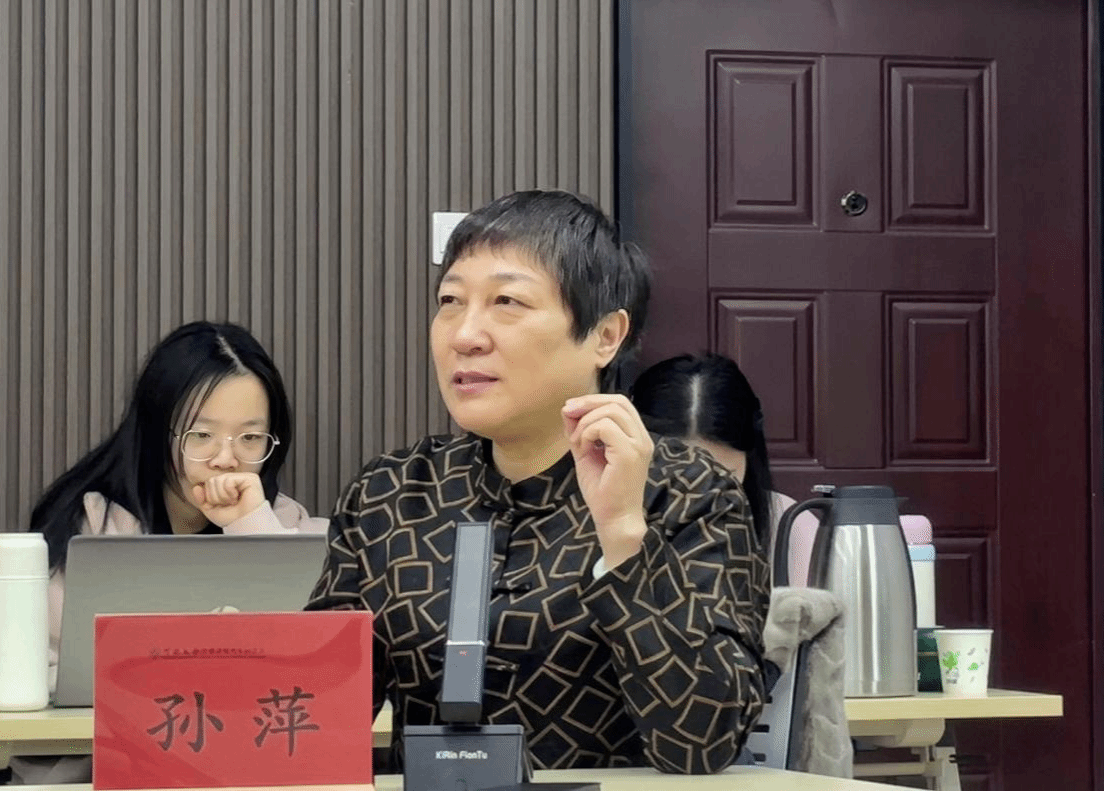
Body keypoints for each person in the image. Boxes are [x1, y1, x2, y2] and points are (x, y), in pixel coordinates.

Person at [306, 191, 769, 774]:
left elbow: (704, 743)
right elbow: (316, 719)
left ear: (605, 335)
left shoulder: (690, 493)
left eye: (507, 301)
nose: (465, 335)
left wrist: (624, 535)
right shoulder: (391, 493)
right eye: (450, 301)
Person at [0, 320, 326, 783]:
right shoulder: (89, 527)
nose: (226, 459)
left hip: (246, 771)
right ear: (157, 431)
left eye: (250, 438)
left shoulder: (285, 526)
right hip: (103, 774)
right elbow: (12, 682)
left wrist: (250, 524)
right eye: (201, 436)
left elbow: (319, 670)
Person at [630, 353, 818, 588]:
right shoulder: (601, 523)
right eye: (683, 476)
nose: (703, 498)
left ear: (750, 455)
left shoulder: (790, 526)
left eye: (724, 476)